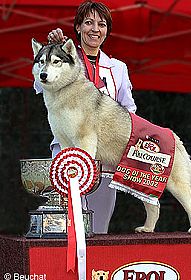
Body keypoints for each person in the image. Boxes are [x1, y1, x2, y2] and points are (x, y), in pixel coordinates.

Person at [35, 0, 137, 233]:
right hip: (67, 159)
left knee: (99, 230)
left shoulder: (118, 68)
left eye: (101, 24)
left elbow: (129, 110)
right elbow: (40, 85)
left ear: (107, 31)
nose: (95, 29)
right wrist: (52, 53)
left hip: (106, 159)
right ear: (78, 27)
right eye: (88, 22)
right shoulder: (61, 58)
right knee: (68, 230)